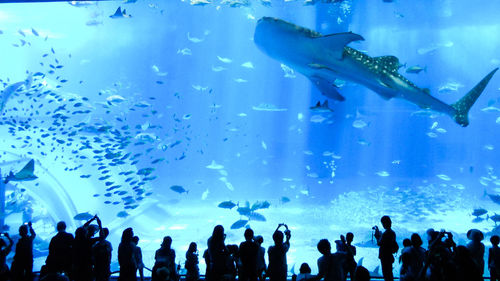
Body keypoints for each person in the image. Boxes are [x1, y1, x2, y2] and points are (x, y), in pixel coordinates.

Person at [374, 216, 397, 281]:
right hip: (389, 256)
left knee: (386, 274)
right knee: (389, 273)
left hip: (385, 256)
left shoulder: (386, 233)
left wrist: (377, 236)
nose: (383, 225)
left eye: (383, 223)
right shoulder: (392, 232)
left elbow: (380, 243)